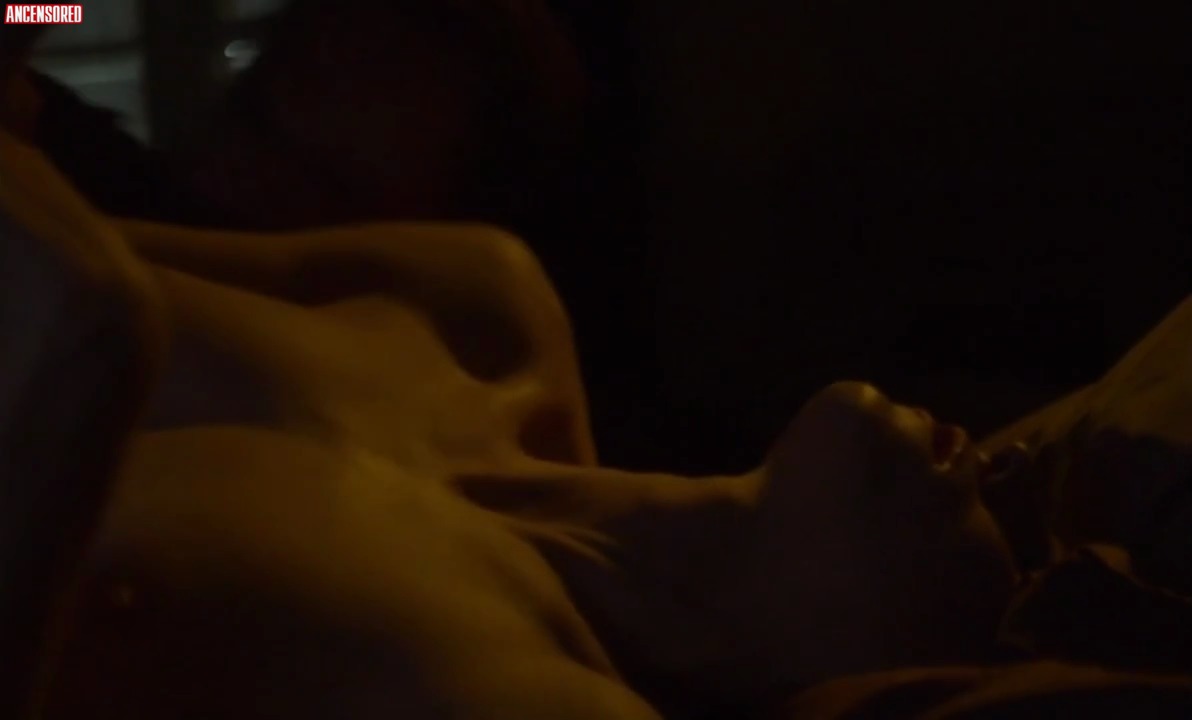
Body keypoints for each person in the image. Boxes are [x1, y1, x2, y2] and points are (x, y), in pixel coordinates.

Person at [3, 119, 1026, 719]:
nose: (999, 465)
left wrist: (81, 365)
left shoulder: (516, 690)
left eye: (1012, 585)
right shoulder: (486, 311)